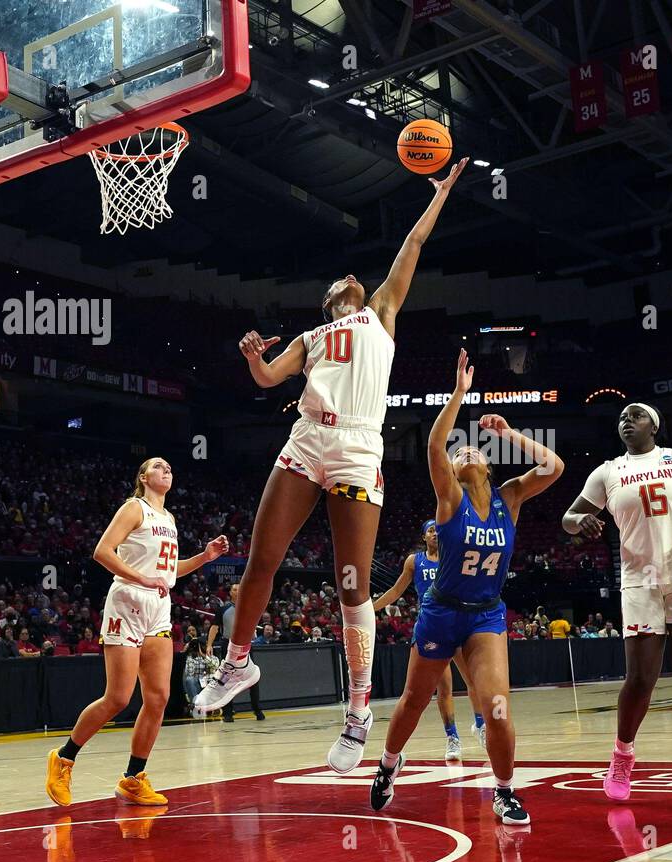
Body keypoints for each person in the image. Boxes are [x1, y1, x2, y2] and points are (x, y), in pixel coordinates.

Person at [192, 159, 470, 776]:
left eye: (355, 276)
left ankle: (358, 713)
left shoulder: (382, 313)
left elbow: (413, 242)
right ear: (328, 304)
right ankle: (238, 662)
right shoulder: (312, 339)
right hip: (306, 441)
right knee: (261, 560)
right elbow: (268, 378)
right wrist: (250, 358)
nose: (351, 276)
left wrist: (442, 194)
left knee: (351, 586)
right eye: (340, 280)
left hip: (357, 446)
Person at [369, 350, 563, 825]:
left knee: (496, 707)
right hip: (441, 612)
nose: (465, 451)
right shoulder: (449, 497)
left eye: (473, 450)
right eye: (461, 454)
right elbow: (437, 445)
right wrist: (458, 394)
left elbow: (554, 466)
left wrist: (509, 434)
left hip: (486, 613)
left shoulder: (509, 497)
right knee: (415, 701)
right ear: (452, 473)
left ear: (490, 468)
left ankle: (504, 790)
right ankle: (388, 765)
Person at [562, 402, 672, 815]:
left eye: (636, 415)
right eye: (621, 416)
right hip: (640, 579)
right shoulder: (607, 471)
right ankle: (622, 757)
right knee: (641, 677)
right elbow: (569, 517)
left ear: (654, 426)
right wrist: (580, 523)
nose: (627, 420)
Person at [46, 457, 228, 809]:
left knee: (158, 698)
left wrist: (204, 557)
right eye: (159, 466)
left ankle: (132, 779)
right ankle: (64, 758)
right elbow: (102, 551)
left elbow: (168, 570)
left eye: (170, 467)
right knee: (117, 698)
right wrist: (142, 578)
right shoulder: (134, 508)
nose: (167, 470)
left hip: (158, 607)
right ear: (143, 477)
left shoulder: (169, 519)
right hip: (128, 601)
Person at [372, 519, 485, 761]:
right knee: (443, 689)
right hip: (433, 627)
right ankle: (452, 737)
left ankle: (480, 725)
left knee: (473, 680)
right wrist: (372, 608)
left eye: (437, 529)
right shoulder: (415, 561)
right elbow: (395, 590)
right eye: (430, 530)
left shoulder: (453, 556)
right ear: (424, 537)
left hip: (457, 622)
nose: (435, 533)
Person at [207, 583, 264, 722]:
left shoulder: (249, 607)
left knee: (253, 677)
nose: (238, 591)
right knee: (225, 679)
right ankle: (227, 712)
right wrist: (209, 644)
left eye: (240, 589)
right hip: (228, 644)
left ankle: (257, 709)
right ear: (230, 593)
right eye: (235, 589)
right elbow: (214, 627)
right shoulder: (223, 609)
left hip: (246, 645)